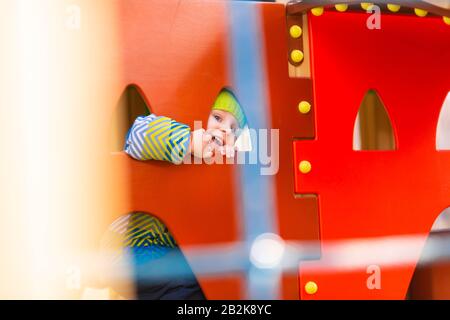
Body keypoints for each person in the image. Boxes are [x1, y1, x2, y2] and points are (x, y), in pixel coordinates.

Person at [114, 88, 247, 300]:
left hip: (176, 251)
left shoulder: (219, 170)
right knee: (183, 284)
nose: (224, 130)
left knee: (209, 281)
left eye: (233, 128)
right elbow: (137, 135)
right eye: (217, 118)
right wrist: (188, 141)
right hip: (131, 245)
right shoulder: (178, 139)